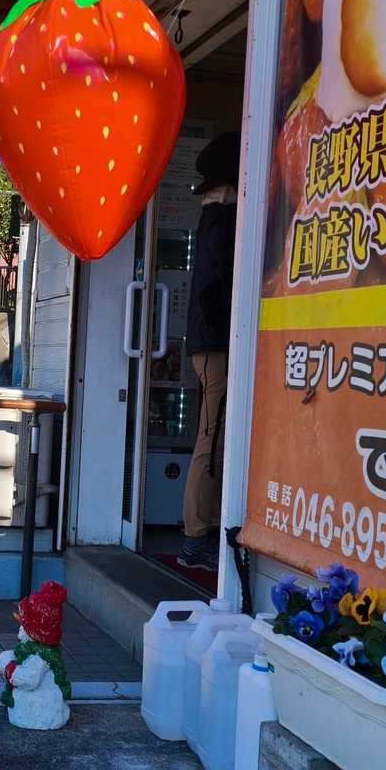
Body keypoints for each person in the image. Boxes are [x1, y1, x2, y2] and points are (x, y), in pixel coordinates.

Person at [177, 132, 239, 573]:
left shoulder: (210, 220)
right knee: (212, 439)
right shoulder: (222, 223)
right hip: (216, 344)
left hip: (207, 343)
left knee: (213, 438)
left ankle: (202, 535)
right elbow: (221, 287)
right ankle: (196, 540)